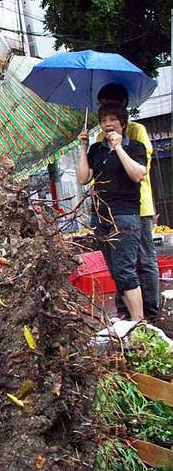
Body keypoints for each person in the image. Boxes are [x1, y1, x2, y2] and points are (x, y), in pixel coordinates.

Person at [76, 103, 147, 321]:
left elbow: (138, 175)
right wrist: (84, 147)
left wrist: (118, 148)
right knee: (116, 273)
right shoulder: (97, 150)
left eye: (112, 119)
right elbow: (83, 178)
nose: (107, 124)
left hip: (124, 217)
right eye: (104, 120)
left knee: (125, 271)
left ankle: (139, 322)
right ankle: (133, 322)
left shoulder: (134, 147)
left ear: (123, 123)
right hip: (102, 218)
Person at [96, 84, 159, 321]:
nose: (107, 114)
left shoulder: (137, 131)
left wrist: (120, 144)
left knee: (144, 259)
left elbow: (144, 168)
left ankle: (150, 311)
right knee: (119, 263)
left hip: (138, 205)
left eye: (112, 106)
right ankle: (125, 309)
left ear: (123, 107)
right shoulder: (100, 136)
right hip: (109, 210)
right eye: (103, 108)